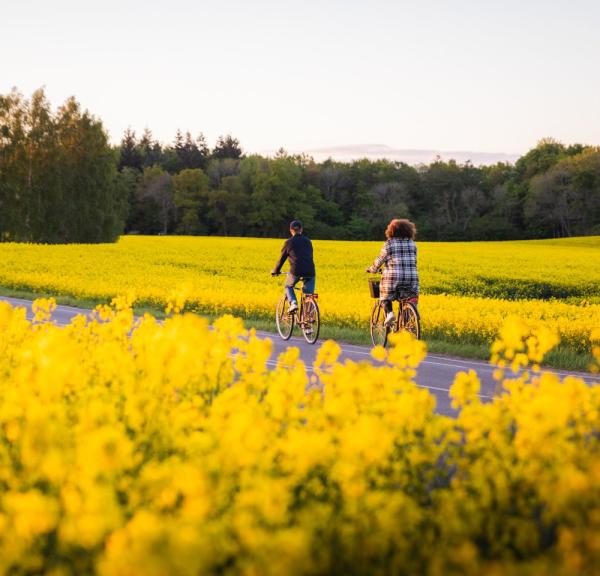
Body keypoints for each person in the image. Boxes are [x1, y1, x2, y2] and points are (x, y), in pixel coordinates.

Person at [366, 218, 419, 326]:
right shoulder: (412, 244)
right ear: (409, 230)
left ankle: (389, 314)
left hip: (393, 278)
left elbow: (380, 260)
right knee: (410, 296)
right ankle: (410, 315)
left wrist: (372, 269)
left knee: (384, 296)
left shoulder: (389, 244)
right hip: (412, 278)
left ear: (391, 231)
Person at [271, 220, 316, 314]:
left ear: (291, 230)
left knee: (288, 286)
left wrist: (276, 271)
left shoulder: (289, 242)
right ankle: (308, 322)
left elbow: (281, 259)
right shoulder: (308, 241)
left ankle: (293, 303)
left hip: (296, 270)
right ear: (301, 229)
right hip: (310, 271)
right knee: (309, 295)